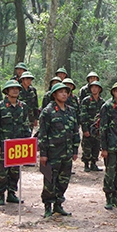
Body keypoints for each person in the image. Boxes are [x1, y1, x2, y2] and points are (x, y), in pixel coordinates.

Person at [38, 82, 80, 217]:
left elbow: (75, 132)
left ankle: (58, 205)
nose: (64, 94)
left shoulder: (71, 110)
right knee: (50, 180)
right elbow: (43, 134)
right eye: (60, 92)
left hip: (66, 153)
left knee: (63, 180)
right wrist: (43, 153)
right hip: (52, 153)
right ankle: (47, 207)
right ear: (54, 95)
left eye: (66, 92)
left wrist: (74, 150)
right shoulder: (48, 112)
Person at [0, 80, 31, 206]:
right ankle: (1, 194)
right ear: (7, 91)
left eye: (17, 89)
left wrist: (27, 142)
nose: (15, 91)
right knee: (2, 171)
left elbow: (26, 125)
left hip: (17, 145)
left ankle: (11, 193)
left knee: (15, 171)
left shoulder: (23, 106)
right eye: (12, 88)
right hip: (3, 144)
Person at [80, 81, 105, 172]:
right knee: (87, 146)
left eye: (96, 87)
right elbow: (83, 116)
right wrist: (85, 129)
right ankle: (86, 164)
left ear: (99, 89)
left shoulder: (102, 102)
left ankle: (93, 163)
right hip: (89, 127)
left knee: (96, 146)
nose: (94, 89)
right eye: (92, 87)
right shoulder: (86, 100)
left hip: (98, 129)